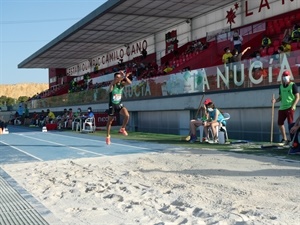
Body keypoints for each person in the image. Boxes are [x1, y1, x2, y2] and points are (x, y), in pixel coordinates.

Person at [272, 70, 299, 145]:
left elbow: (297, 97)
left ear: (289, 76)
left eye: (286, 76)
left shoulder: (293, 85)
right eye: (284, 76)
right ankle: (284, 139)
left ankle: (292, 140)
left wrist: (293, 105)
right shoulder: (281, 86)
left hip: (290, 107)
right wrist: (275, 100)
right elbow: (280, 98)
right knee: (280, 123)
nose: (285, 77)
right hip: (282, 108)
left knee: (290, 124)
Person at [106, 70, 132, 145]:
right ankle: (108, 136)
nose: (119, 78)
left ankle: (122, 128)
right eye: (117, 77)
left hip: (119, 104)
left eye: (119, 77)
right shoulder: (112, 85)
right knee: (110, 122)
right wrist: (122, 76)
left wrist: (125, 77)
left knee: (127, 115)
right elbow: (115, 81)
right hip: (112, 105)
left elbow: (130, 83)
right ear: (114, 78)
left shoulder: (121, 84)